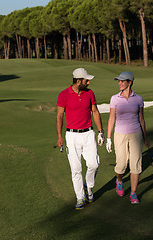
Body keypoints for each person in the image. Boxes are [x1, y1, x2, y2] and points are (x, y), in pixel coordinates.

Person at [56, 68, 104, 210]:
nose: (88, 82)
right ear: (78, 81)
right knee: (76, 169)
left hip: (88, 134)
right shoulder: (64, 95)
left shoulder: (89, 93)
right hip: (72, 136)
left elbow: (95, 111)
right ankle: (80, 197)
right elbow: (59, 116)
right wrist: (59, 136)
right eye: (86, 80)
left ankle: (88, 187)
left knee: (94, 164)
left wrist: (100, 131)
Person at [106, 71, 150, 204]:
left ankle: (133, 193)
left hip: (136, 134)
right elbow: (111, 118)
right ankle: (119, 180)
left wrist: (145, 137)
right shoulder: (114, 98)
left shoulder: (138, 99)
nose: (119, 83)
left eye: (122, 81)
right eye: (118, 81)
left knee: (136, 165)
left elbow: (141, 119)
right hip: (120, 134)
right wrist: (108, 137)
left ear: (129, 82)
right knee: (121, 165)